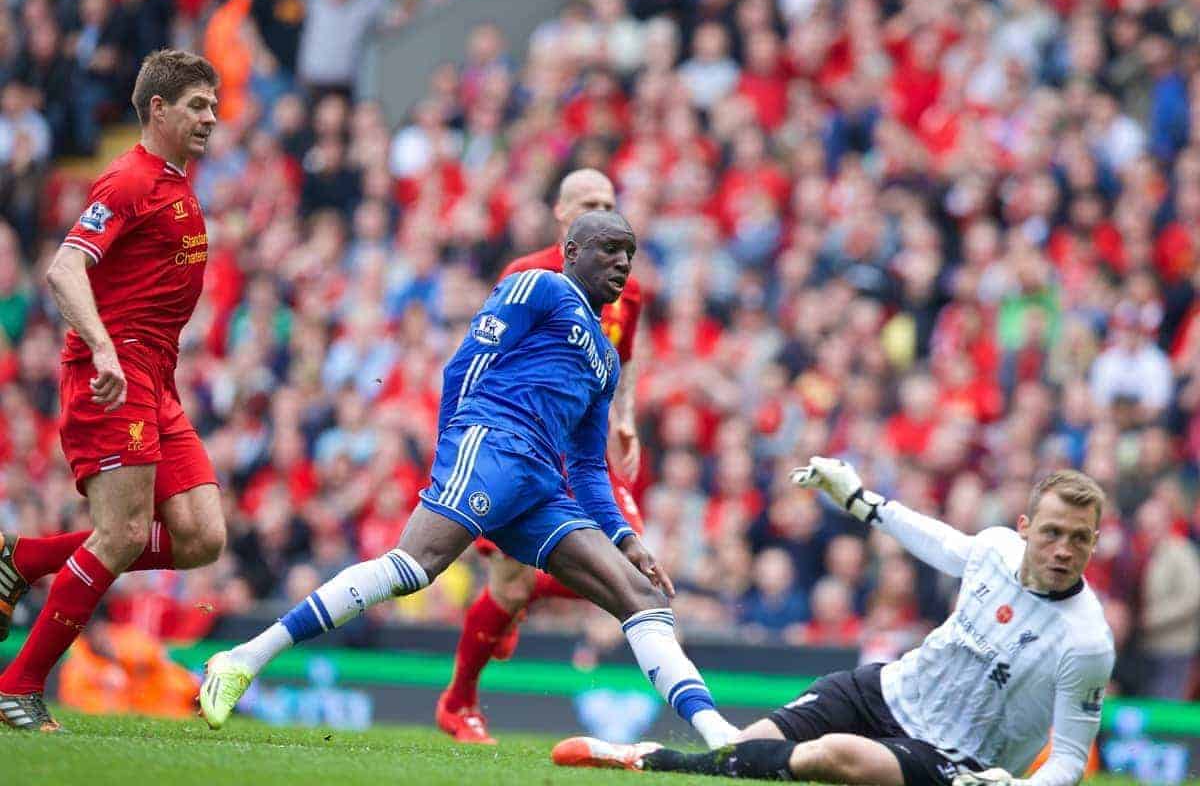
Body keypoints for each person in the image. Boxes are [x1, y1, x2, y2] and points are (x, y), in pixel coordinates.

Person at [199, 210, 740, 750]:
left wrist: (626, 538)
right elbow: (465, 365)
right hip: (493, 443)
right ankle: (243, 660)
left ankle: (717, 735)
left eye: (630, 251)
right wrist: (454, 452)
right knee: (413, 568)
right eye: (609, 248)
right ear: (571, 251)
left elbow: (589, 468)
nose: (622, 261)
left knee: (643, 596)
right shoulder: (542, 287)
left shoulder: (605, 359)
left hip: (541, 485)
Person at [553, 460, 1115, 786]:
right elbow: (941, 542)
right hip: (889, 689)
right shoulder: (994, 547)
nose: (1064, 549)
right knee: (744, 751)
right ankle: (647, 757)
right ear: (1024, 527)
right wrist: (863, 502)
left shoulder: (1087, 642)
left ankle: (650, 758)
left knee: (835, 754)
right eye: (1052, 532)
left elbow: (1068, 757)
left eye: (1079, 538)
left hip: (958, 761)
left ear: (1094, 541)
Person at [0, 50, 225, 733]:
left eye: (214, 105)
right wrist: (101, 345)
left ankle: (27, 557)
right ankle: (17, 686)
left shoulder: (174, 182)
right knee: (123, 533)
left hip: (156, 379)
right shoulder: (128, 181)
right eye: (196, 105)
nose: (211, 118)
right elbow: (65, 268)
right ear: (157, 109)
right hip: (113, 376)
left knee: (201, 537)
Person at [436, 167, 647, 744]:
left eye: (610, 200)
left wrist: (624, 420)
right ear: (562, 216)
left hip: (580, 449)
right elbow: (484, 358)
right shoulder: (526, 276)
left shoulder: (627, 286)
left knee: (628, 562)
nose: (604, 208)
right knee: (507, 587)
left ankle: (515, 602)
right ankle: (458, 703)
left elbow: (623, 362)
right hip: (515, 447)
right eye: (590, 202)